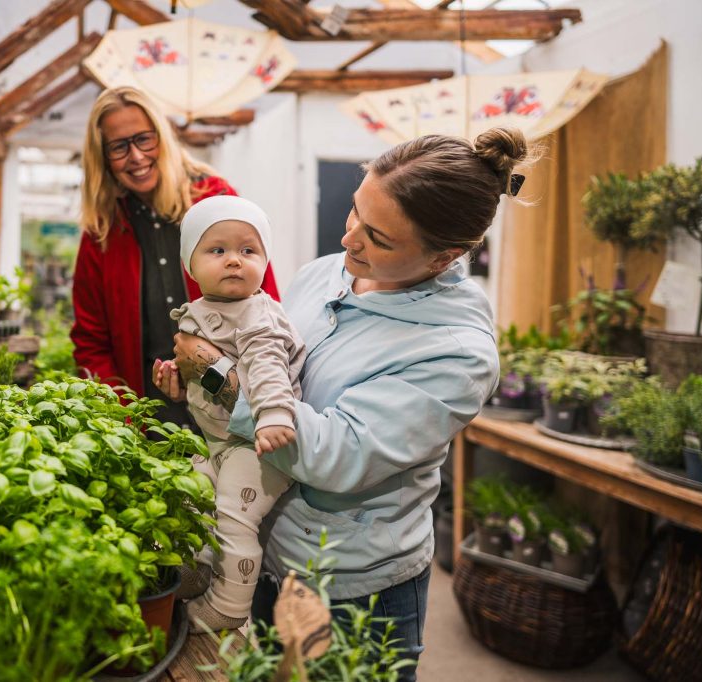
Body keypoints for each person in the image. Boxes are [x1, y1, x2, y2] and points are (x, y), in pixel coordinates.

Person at [158, 128, 529, 680]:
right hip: (269, 553)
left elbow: (335, 455)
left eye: (377, 237)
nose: (348, 238)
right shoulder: (325, 273)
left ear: (443, 257)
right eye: (356, 211)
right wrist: (193, 379)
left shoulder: (456, 353)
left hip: (350, 589)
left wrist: (213, 374)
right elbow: (268, 361)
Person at [71, 86, 279, 427]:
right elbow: (91, 342)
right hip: (144, 421)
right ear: (103, 157)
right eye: (119, 147)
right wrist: (121, 416)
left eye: (144, 139)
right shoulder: (102, 232)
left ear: (163, 137)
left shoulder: (216, 200)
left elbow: (265, 306)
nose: (136, 156)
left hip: (231, 413)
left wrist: (224, 378)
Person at [155, 195, 306, 632]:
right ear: (190, 264)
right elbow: (205, 375)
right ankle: (196, 567)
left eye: (248, 250)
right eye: (217, 250)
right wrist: (178, 383)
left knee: (234, 516)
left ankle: (228, 605)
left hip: (257, 444)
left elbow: (267, 367)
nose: (235, 260)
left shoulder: (258, 314)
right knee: (189, 492)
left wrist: (274, 414)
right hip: (217, 441)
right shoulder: (200, 312)